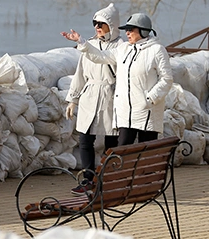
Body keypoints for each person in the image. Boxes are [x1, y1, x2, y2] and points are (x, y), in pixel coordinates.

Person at [62, 11, 174, 149]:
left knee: (146, 151)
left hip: (146, 111)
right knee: (121, 152)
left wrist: (150, 99)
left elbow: (167, 79)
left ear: (143, 31)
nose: (127, 33)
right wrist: (81, 41)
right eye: (126, 30)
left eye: (130, 30)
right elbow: (100, 56)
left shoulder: (157, 50)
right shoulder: (123, 49)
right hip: (125, 113)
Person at [63, 4, 120, 193]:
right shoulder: (90, 44)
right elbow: (80, 73)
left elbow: (101, 58)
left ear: (111, 25)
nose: (97, 27)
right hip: (90, 94)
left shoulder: (121, 46)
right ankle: (87, 179)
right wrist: (73, 99)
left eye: (101, 23)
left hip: (110, 95)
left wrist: (82, 43)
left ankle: (109, 179)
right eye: (95, 23)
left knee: (111, 140)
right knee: (85, 139)